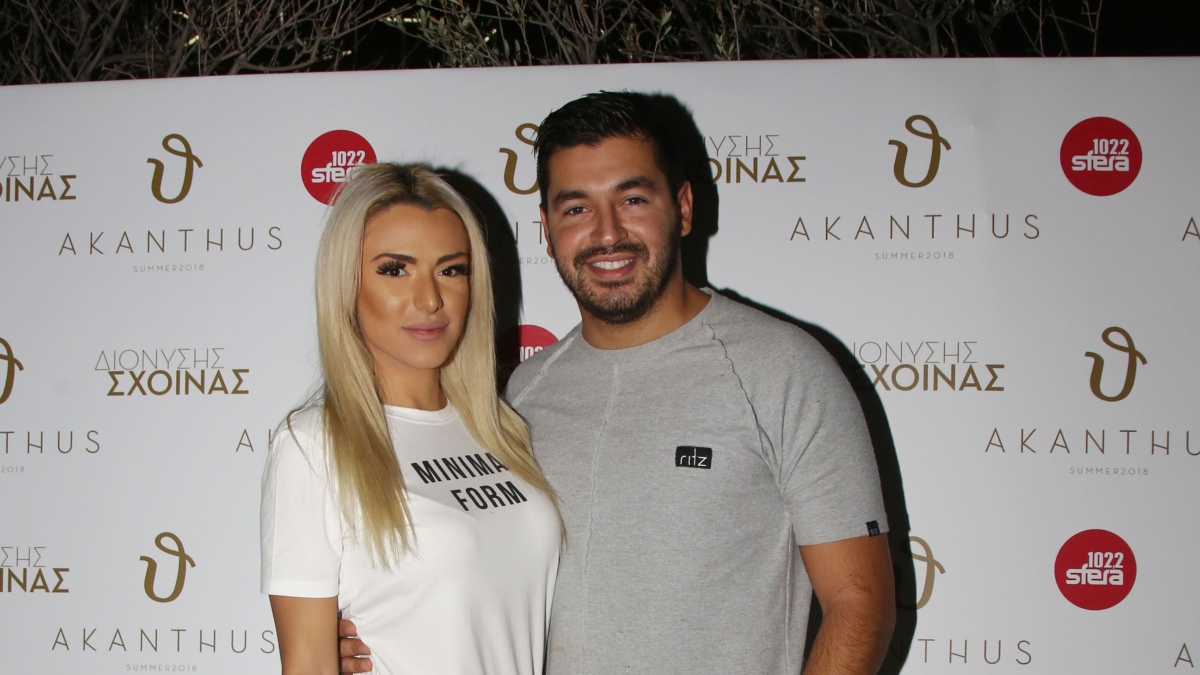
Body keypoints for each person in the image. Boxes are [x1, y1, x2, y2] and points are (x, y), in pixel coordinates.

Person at [340, 93, 895, 674]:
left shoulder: (782, 370)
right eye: (576, 208)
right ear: (547, 230)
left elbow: (859, 604)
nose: (607, 234)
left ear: (682, 207)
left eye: (632, 199)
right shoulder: (521, 393)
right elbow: (462, 568)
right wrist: (372, 637)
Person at [261, 163, 562, 675]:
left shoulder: (504, 432)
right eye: (395, 270)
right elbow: (308, 662)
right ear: (347, 286)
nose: (430, 299)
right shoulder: (313, 447)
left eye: (451, 269)